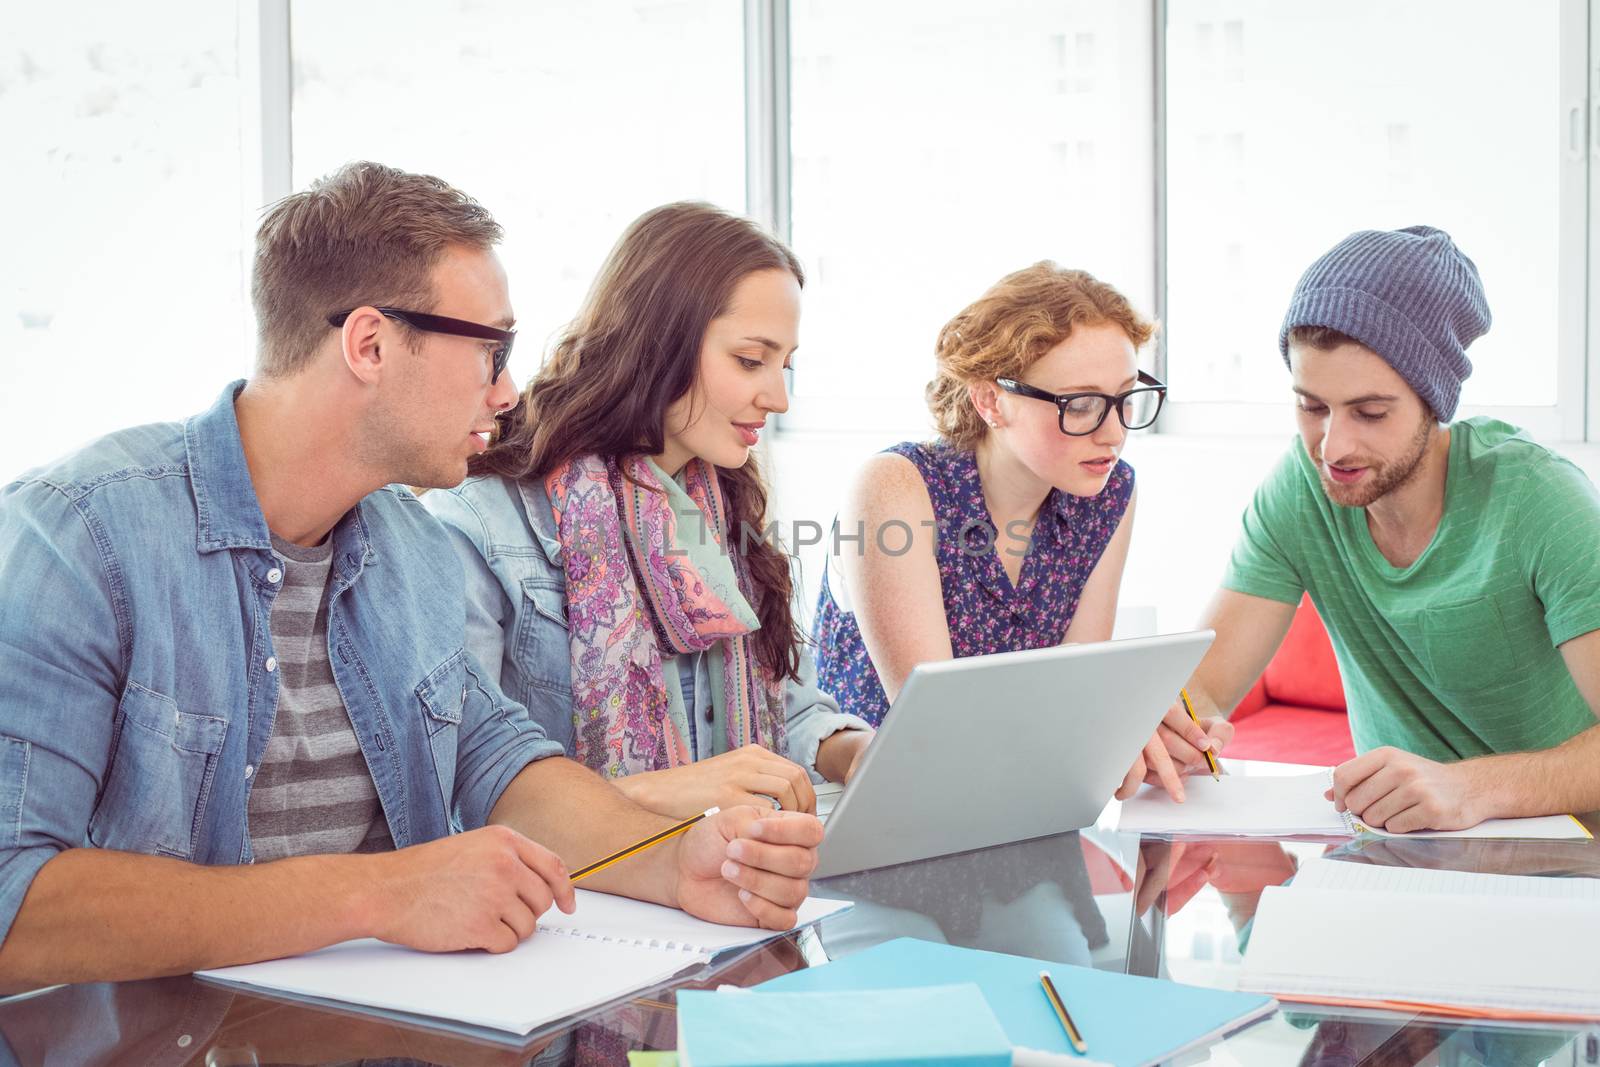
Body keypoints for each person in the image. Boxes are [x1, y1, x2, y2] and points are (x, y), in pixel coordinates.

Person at [0, 163, 822, 994]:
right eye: (488, 352)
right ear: (370, 344)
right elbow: (11, 901)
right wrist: (379, 891)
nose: (508, 391)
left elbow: (504, 766)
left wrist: (676, 862)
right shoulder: (79, 535)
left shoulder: (411, 550)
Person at [424, 202, 872, 820]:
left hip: (734, 877)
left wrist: (858, 752)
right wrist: (663, 794)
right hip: (580, 903)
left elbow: (784, 706)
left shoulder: (723, 503)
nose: (778, 397)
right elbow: (454, 794)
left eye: (785, 364)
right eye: (750, 360)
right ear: (661, 344)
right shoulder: (479, 523)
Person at [1170, 225, 1600, 832]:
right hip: (1397, 853)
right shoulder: (1300, 488)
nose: (1333, 447)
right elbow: (1201, 692)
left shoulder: (1538, 499)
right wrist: (1170, 728)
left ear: (1433, 401)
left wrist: (1469, 788)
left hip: (1568, 857)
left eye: (1370, 413)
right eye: (1311, 406)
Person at [813, 262, 1228, 800]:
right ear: (990, 400)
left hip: (1015, 799)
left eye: (1126, 398)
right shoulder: (894, 486)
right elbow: (938, 727)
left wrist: (1139, 732)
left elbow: (1073, 692)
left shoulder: (1107, 493)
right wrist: (1096, 732)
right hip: (872, 803)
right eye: (1079, 405)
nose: (1114, 432)